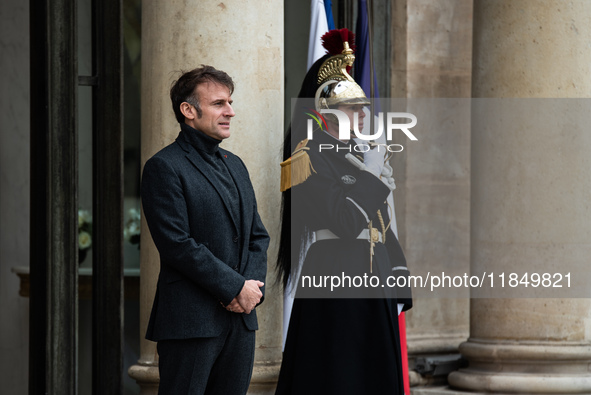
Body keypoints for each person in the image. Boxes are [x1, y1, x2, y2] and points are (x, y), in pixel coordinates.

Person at [275, 29, 412, 394]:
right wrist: (369, 175)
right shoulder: (308, 159)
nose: (363, 117)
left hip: (372, 276)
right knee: (339, 374)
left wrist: (397, 274)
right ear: (327, 112)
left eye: (363, 109)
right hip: (336, 273)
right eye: (353, 109)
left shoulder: (354, 156)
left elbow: (379, 225)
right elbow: (348, 223)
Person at [141, 65, 270, 395]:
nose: (230, 111)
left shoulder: (236, 164)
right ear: (188, 110)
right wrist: (233, 288)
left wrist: (249, 291)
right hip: (191, 323)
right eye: (218, 103)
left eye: (230, 101)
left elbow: (257, 236)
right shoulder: (164, 166)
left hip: (241, 322)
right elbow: (176, 244)